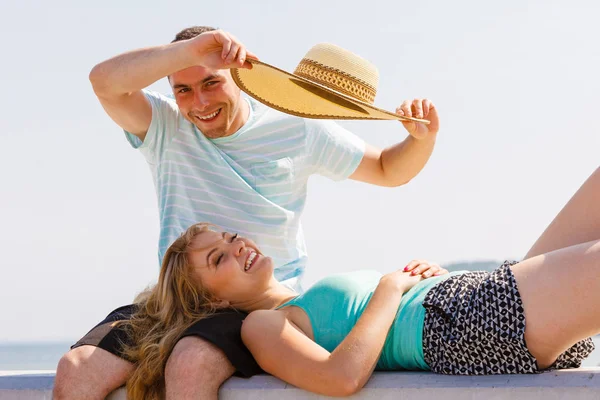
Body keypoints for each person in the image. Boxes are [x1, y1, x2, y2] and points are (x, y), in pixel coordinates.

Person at [53, 27, 441, 399]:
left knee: (191, 363)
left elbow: (389, 169)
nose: (200, 102)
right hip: (173, 298)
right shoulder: (165, 125)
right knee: (77, 366)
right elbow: (103, 81)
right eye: (183, 90)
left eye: (211, 83)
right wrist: (191, 51)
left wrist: (420, 140)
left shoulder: (297, 128)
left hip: (253, 306)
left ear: (240, 77)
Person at [123, 167, 600, 398]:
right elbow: (340, 376)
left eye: (231, 237)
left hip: (473, 298)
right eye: (218, 257)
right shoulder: (262, 326)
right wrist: (391, 291)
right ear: (212, 298)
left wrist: (421, 279)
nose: (238, 246)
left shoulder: (300, 299)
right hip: (468, 324)